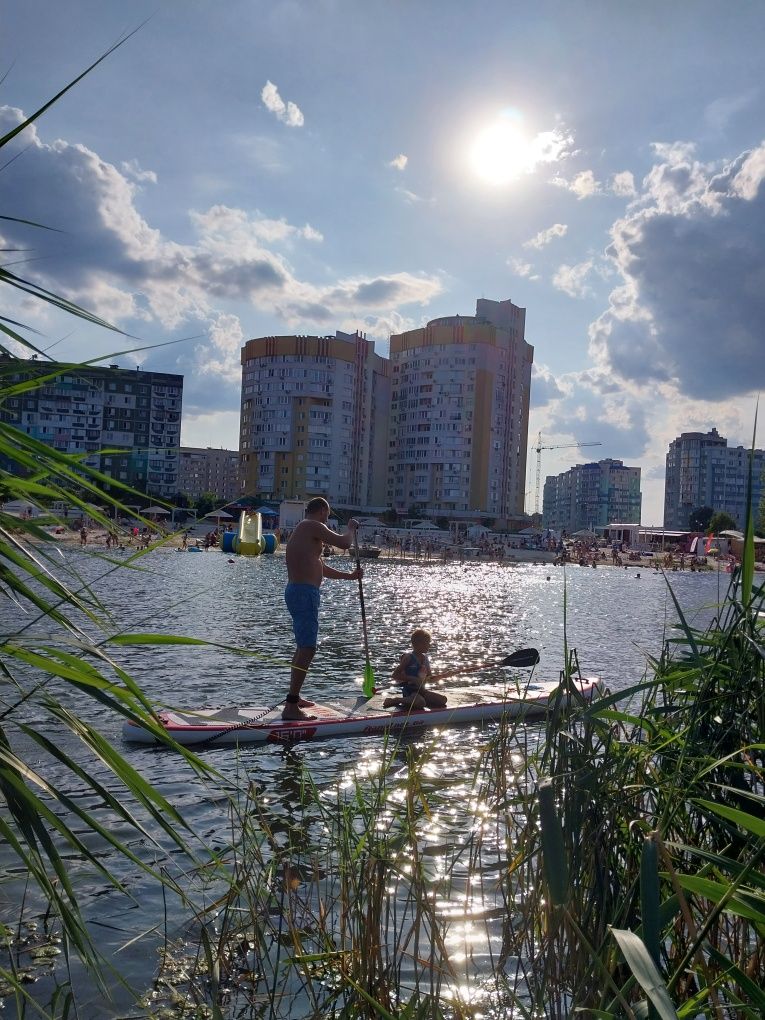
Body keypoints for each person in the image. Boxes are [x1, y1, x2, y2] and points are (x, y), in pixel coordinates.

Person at [282, 497, 362, 720]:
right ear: (321, 511)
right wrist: (351, 529)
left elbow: (320, 566)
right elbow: (345, 543)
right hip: (303, 593)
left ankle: (294, 698)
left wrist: (349, 577)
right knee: (308, 649)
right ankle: (290, 706)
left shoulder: (306, 530)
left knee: (302, 648)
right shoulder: (311, 525)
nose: (328, 519)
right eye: (327, 514)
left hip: (301, 592)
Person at [383, 628, 447, 711]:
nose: (429, 645)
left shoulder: (425, 659)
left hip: (422, 691)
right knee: (421, 703)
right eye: (427, 643)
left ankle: (417, 700)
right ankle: (396, 700)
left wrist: (443, 676)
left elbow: (429, 679)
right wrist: (412, 678)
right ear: (418, 644)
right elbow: (395, 675)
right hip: (410, 692)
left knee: (443, 700)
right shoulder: (408, 658)